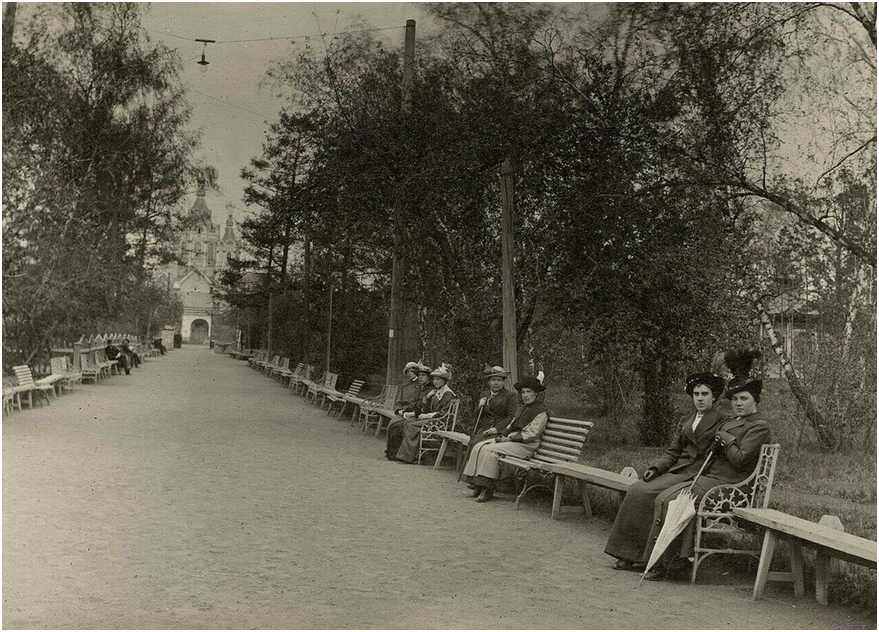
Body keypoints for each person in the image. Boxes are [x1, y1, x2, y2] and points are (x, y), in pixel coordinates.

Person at [606, 350, 772, 580]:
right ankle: (642, 556)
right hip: (709, 476)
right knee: (644, 492)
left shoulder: (753, 425)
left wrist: (726, 439)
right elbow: (675, 451)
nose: (738, 403)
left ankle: (671, 563)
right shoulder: (728, 421)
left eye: (744, 399)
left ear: (755, 400)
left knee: (668, 499)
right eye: (735, 399)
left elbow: (739, 459)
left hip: (726, 483)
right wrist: (658, 466)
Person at [461, 375, 549, 503]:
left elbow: (532, 434)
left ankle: (487, 489)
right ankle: (477, 485)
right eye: (523, 392)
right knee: (479, 446)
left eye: (529, 392)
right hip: (513, 441)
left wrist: (510, 438)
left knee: (491, 450)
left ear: (536, 393)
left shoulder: (541, 411)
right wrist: (503, 434)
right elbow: (510, 425)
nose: (525, 395)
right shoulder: (522, 408)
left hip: (527, 445)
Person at [394, 364, 456, 464]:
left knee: (412, 426)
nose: (435, 381)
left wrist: (426, 416)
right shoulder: (437, 391)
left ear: (444, 381)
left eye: (438, 379)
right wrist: (427, 397)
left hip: (440, 422)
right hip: (433, 419)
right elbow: (426, 408)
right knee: (408, 422)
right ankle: (411, 455)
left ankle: (407, 457)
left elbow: (443, 413)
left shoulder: (447, 393)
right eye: (434, 379)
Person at [385, 365, 433, 460]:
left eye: (423, 375)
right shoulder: (419, 388)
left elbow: (426, 407)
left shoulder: (430, 390)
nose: (421, 377)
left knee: (403, 425)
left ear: (428, 377)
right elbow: (413, 403)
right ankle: (392, 453)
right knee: (394, 425)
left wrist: (413, 413)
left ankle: (403, 455)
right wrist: (403, 411)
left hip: (421, 415)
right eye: (419, 375)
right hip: (412, 413)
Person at [473, 365, 519, 435]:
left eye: (499, 380)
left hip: (500, 431)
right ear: (489, 382)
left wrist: (497, 429)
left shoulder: (510, 396)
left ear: (503, 382)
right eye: (493, 380)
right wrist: (479, 407)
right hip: (484, 430)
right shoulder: (484, 394)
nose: (496, 383)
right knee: (474, 445)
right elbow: (477, 418)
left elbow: (511, 417)